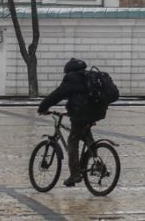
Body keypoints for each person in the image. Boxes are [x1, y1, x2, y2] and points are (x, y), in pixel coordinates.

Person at [37, 58, 107, 186]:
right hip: (95, 113)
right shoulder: (89, 76)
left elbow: (57, 94)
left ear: (69, 70)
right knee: (87, 138)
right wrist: (71, 110)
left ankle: (75, 175)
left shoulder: (71, 78)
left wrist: (43, 107)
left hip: (81, 115)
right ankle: (97, 162)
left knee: (72, 141)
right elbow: (82, 97)